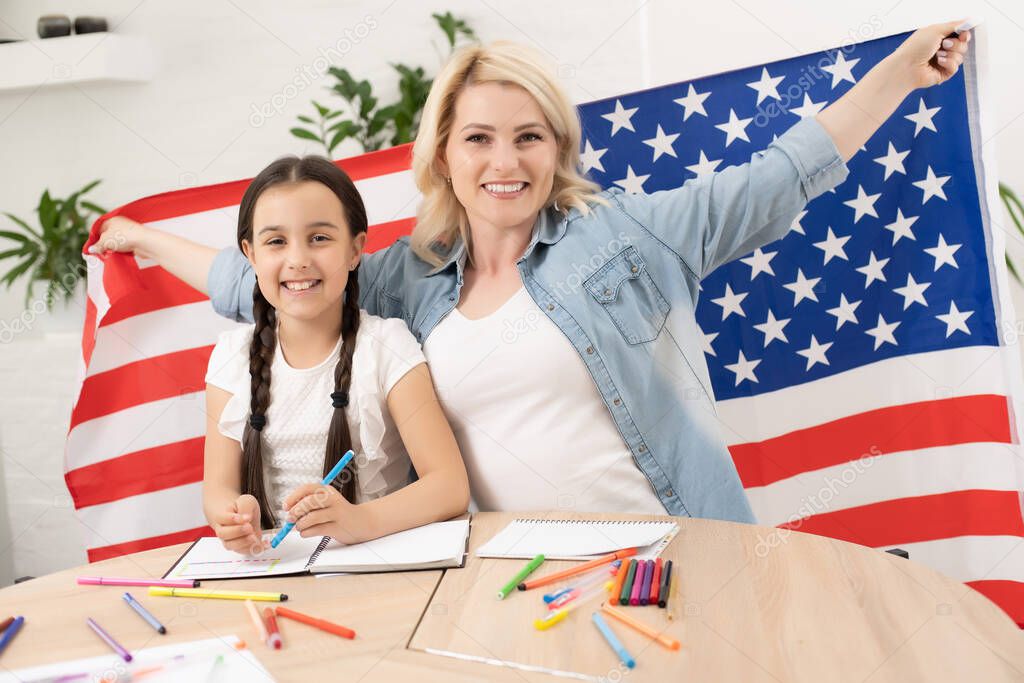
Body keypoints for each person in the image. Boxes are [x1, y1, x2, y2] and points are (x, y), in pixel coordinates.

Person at [95, 22, 972, 524]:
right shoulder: (408, 279)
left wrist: (903, 71)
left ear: (557, 148)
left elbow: (779, 178)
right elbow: (265, 280)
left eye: (528, 136)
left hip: (677, 552)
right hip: (520, 580)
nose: (504, 160)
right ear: (444, 152)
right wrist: (145, 240)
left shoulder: (627, 235)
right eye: (479, 137)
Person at [201, 155, 468, 554]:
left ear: (355, 249)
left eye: (319, 238)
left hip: (374, 568)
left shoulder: (387, 346)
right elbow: (218, 487)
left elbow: (449, 485)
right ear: (251, 254)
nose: (298, 259)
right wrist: (232, 515)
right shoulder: (230, 357)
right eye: (276, 241)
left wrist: (359, 521)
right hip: (271, 572)